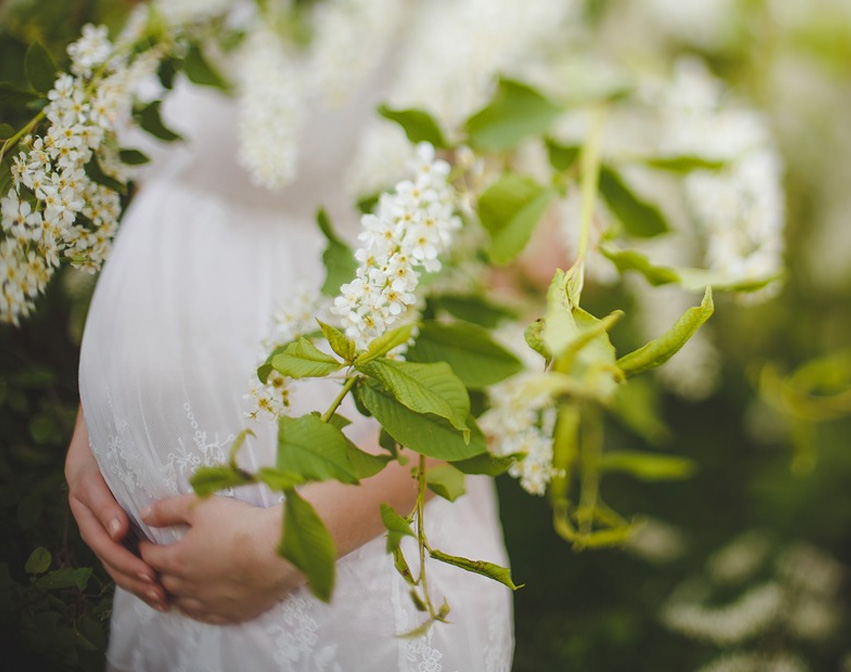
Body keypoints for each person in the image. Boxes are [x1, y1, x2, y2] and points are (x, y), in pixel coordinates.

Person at [63, 48, 514, 672]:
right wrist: (98, 429)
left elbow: (519, 312)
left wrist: (292, 546)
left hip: (342, 563)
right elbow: (169, 175)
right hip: (161, 582)